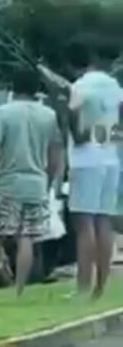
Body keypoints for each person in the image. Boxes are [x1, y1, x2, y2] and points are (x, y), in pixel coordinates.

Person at [0, 69, 61, 305]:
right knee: (27, 238)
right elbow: (54, 156)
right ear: (37, 91)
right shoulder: (49, 116)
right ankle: (19, 293)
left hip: (7, 183)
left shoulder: (3, 113)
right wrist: (48, 181)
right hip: (36, 184)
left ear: (12, 89)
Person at [66, 38, 123, 300]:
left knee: (84, 224)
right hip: (111, 158)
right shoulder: (115, 86)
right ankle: (100, 287)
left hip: (86, 160)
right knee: (104, 222)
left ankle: (83, 287)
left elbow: (73, 116)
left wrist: (78, 134)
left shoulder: (81, 85)